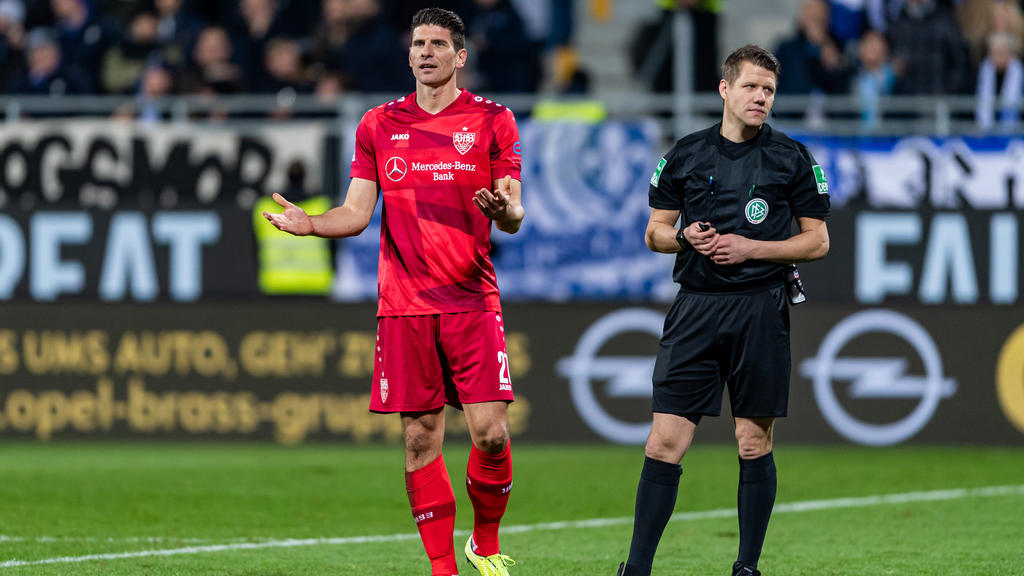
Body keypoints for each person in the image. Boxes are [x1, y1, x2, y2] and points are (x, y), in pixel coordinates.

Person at [262, 7, 523, 576]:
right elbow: (356, 213)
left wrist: (506, 210)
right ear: (408, 53)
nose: (426, 52)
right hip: (404, 306)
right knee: (418, 438)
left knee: (492, 434)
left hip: (470, 298)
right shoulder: (378, 123)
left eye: (437, 43)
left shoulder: (492, 120)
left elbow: (514, 209)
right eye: (418, 43)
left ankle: (484, 539)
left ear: (460, 55)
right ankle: (442, 569)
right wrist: (311, 224)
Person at [616, 44, 830, 576]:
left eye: (769, 90)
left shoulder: (793, 157)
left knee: (753, 439)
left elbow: (818, 242)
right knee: (666, 440)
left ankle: (747, 567)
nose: (761, 97)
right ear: (725, 90)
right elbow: (655, 233)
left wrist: (752, 248)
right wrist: (684, 237)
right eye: (752, 87)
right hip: (696, 308)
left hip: (760, 308)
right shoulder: (685, 154)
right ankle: (636, 568)